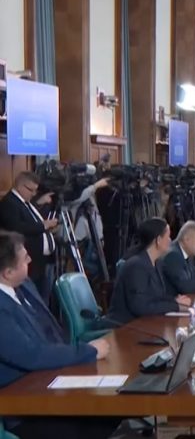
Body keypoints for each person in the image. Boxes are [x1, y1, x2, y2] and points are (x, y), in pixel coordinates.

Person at [0, 231, 119, 439]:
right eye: (25, 258)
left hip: (52, 380)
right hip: (23, 407)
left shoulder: (24, 286)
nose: (30, 259)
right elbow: (31, 355)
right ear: (8, 272)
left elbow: (52, 332)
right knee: (99, 421)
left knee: (111, 412)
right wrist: (87, 351)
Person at [107, 218, 192, 324]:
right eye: (168, 236)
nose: (170, 240)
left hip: (144, 323)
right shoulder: (136, 265)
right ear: (158, 240)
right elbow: (140, 306)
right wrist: (176, 306)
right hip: (123, 326)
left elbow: (155, 297)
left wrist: (174, 300)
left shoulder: (157, 262)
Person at [0, 172, 59, 304]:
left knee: (43, 298)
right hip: (28, 262)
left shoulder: (26, 203)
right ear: (20, 186)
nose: (33, 194)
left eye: (35, 190)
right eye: (31, 190)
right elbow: (16, 227)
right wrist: (43, 225)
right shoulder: (9, 202)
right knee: (34, 301)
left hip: (40, 261)